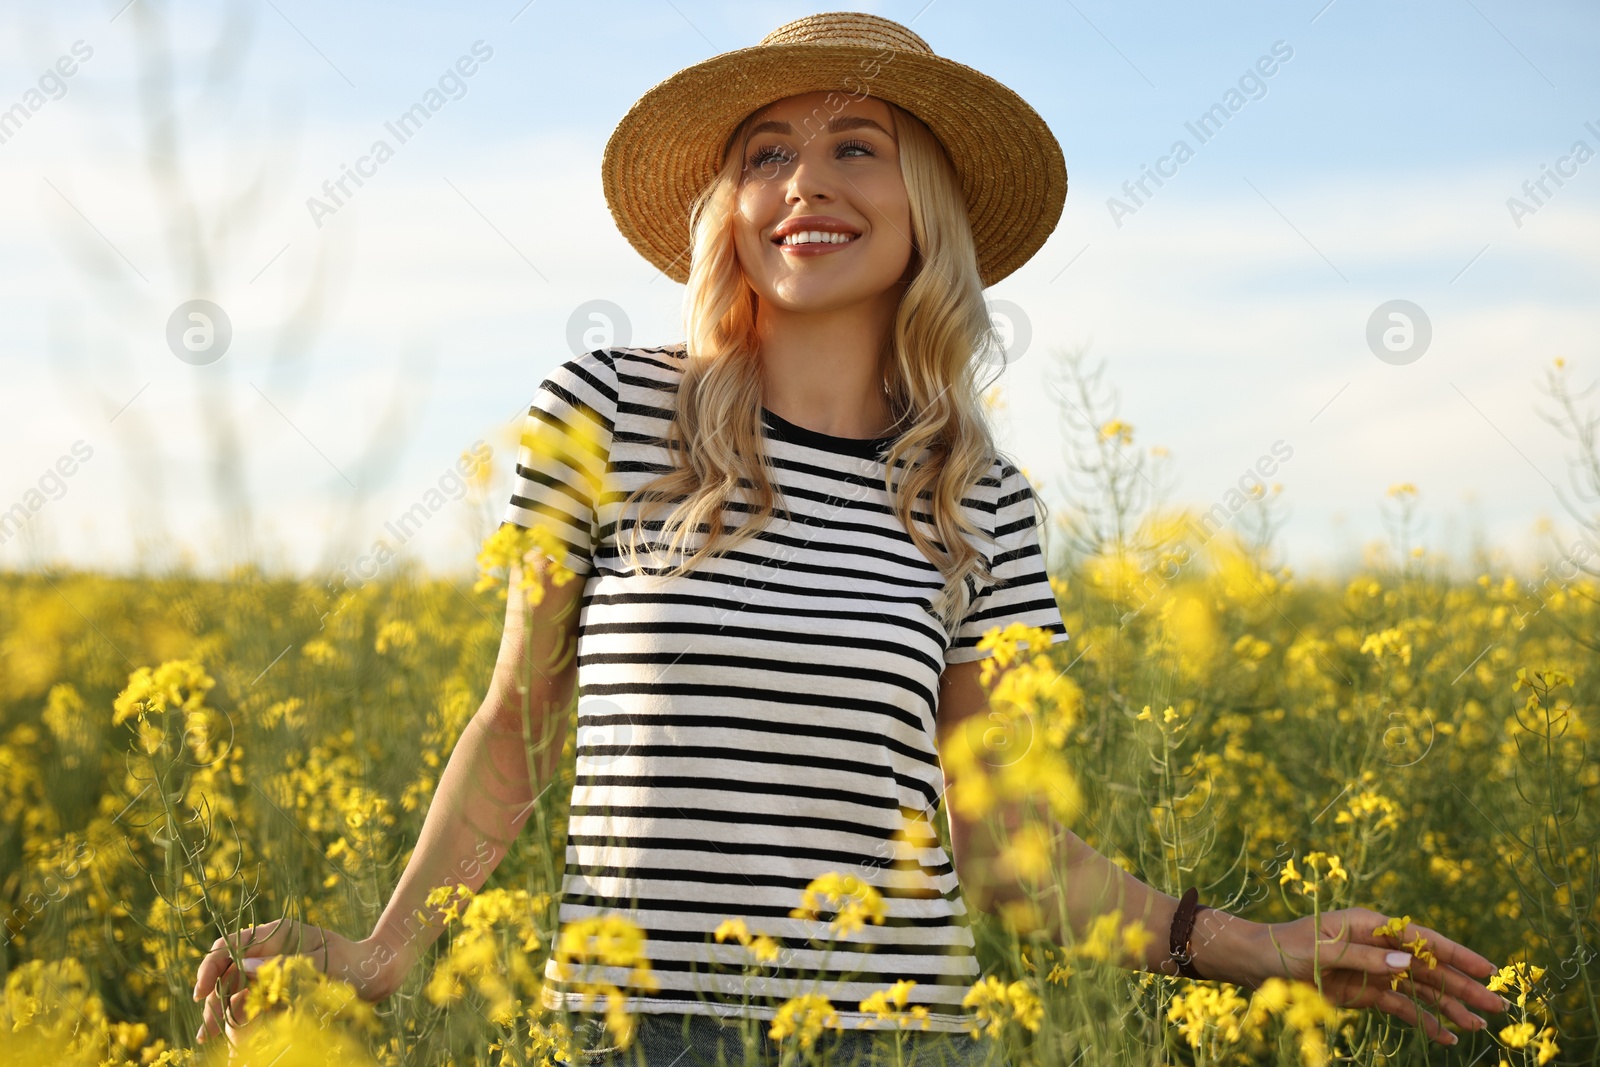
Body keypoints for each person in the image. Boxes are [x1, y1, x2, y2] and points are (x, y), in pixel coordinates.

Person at [190, 11, 1510, 1066]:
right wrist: (385, 951)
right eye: (764, 152)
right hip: (620, 1036)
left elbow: (1006, 853)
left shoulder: (974, 494)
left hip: (898, 1043)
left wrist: (1262, 947)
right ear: (729, 203)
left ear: (927, 203)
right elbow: (517, 724)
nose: (802, 183)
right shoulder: (602, 410)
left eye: (856, 146)